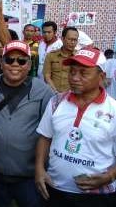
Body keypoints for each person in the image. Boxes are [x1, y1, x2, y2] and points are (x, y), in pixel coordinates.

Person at [35, 48, 116, 206]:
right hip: (55, 189)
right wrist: (39, 169)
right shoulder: (56, 102)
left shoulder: (113, 110)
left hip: (97, 196)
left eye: (83, 73)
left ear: (101, 76)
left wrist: (109, 176)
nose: (75, 78)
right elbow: (45, 137)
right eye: (72, 72)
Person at [0, 41, 54, 207]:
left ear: (29, 65)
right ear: (1, 62)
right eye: (9, 60)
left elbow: (49, 134)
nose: (15, 64)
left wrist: (42, 168)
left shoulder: (43, 91)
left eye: (21, 61)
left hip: (29, 177)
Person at [43, 27, 79, 93]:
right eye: (70, 39)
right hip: (53, 93)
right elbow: (47, 76)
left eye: (75, 40)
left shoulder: (79, 57)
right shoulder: (51, 55)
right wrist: (56, 92)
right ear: (62, 39)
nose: (73, 42)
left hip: (72, 95)